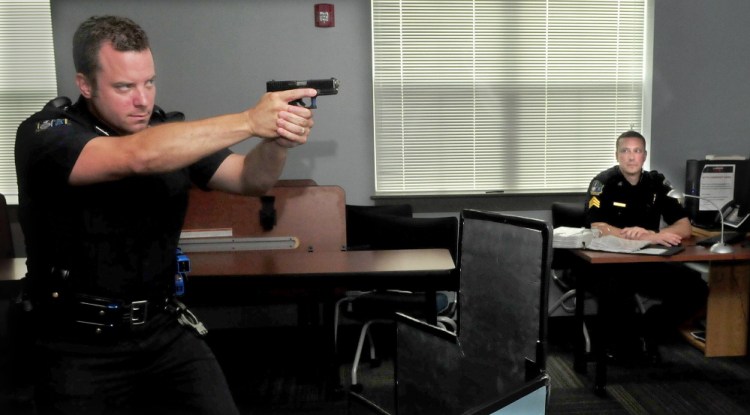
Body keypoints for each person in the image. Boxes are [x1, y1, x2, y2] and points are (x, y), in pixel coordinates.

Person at [14, 15, 317, 415]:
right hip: (76, 344)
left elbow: (249, 178)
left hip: (161, 329)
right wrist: (247, 121)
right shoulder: (48, 135)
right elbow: (136, 156)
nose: (142, 99)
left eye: (149, 82)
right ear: (85, 85)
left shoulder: (167, 132)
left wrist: (278, 140)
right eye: (124, 87)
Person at [584, 130, 708, 363]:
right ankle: (623, 347)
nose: (631, 157)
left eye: (637, 151)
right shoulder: (603, 183)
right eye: (625, 151)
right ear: (617, 155)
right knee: (616, 290)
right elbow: (596, 226)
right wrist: (635, 236)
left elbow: (684, 226)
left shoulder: (656, 183)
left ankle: (646, 329)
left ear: (644, 155)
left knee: (696, 288)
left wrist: (655, 235)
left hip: (646, 261)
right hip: (611, 263)